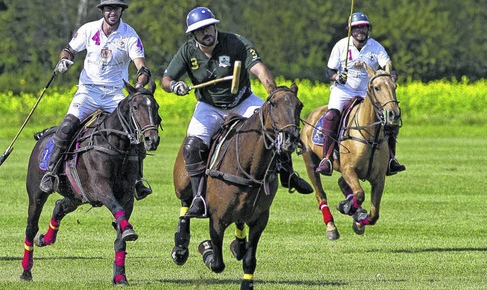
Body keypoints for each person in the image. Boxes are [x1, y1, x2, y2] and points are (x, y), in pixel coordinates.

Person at [161, 7, 313, 218]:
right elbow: (165, 81)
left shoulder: (235, 42)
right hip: (209, 106)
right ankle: (198, 198)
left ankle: (287, 172)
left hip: (242, 101)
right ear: (193, 35)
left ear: (215, 26)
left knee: (275, 122)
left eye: (209, 27)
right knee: (193, 145)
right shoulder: (187, 52)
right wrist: (175, 86)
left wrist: (274, 93)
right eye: (201, 30)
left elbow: (259, 69)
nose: (207, 32)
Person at [39, 0, 153, 199]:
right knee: (67, 127)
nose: (112, 12)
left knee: (133, 135)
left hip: (115, 94)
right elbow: (69, 49)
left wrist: (140, 83)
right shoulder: (88, 29)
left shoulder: (129, 35)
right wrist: (64, 60)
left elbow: (141, 66)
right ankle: (51, 172)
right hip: (88, 92)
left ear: (121, 11)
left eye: (116, 9)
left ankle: (137, 181)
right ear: (103, 11)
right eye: (108, 9)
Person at [316, 12, 406, 176]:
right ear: (350, 30)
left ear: (368, 29)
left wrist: (389, 75)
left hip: (366, 92)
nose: (360, 31)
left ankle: (391, 159)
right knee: (331, 116)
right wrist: (338, 77)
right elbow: (329, 71)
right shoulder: (341, 46)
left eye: (363, 27)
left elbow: (388, 65)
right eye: (356, 28)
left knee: (389, 118)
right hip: (343, 91)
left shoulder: (376, 47)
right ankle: (327, 158)